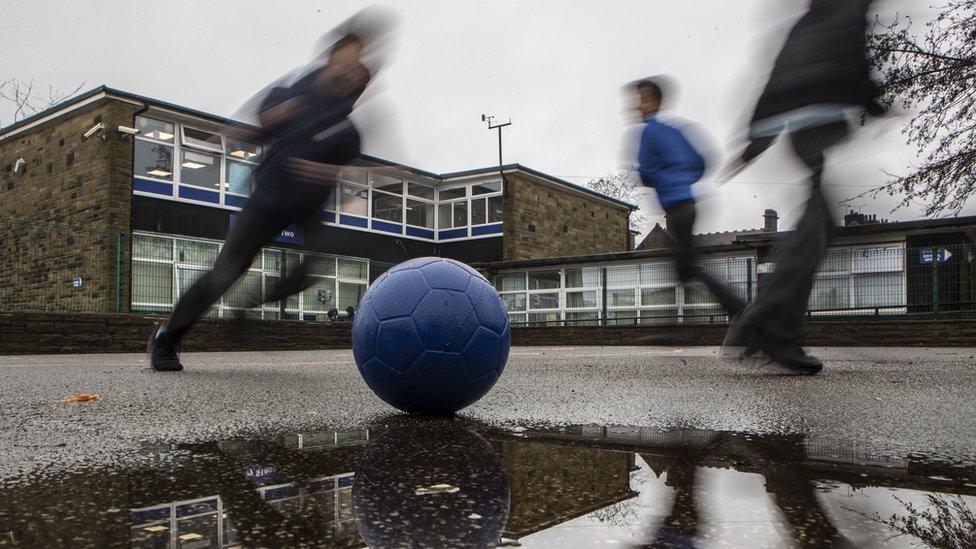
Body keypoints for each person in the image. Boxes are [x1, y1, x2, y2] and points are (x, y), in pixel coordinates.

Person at [148, 10, 395, 371]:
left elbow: (359, 171)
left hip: (309, 205)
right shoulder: (292, 93)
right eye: (350, 58)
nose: (354, 70)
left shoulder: (347, 129)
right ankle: (167, 337)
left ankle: (246, 306)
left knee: (315, 265)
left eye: (360, 68)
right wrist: (226, 136)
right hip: (269, 198)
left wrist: (327, 170)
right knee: (225, 272)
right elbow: (258, 124)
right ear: (333, 57)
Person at [720, 0, 884, 374]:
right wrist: (873, 102)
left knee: (819, 220)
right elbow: (851, 58)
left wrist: (754, 142)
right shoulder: (848, 9)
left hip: (796, 123)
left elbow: (776, 77)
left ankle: (764, 321)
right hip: (815, 120)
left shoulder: (808, 20)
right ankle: (767, 322)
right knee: (818, 222)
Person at [631, 78, 746, 321]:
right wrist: (682, 177)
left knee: (688, 267)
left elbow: (645, 174)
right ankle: (678, 327)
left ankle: (740, 310)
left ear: (654, 102)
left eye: (641, 99)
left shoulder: (649, 132)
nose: (636, 106)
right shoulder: (676, 131)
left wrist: (664, 179)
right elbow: (702, 162)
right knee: (682, 268)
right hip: (689, 206)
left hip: (677, 208)